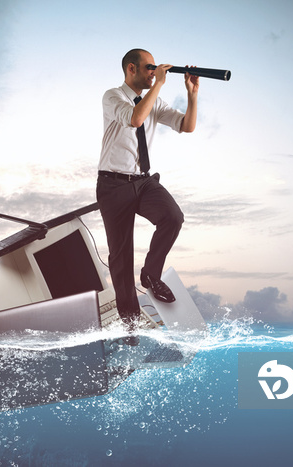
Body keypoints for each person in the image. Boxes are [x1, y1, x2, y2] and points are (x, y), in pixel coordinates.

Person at [96, 48, 199, 342]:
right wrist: (159, 85)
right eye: (149, 67)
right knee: (120, 258)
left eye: (155, 69)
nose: (154, 73)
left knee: (172, 217)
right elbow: (135, 119)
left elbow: (187, 126)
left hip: (143, 182)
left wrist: (191, 93)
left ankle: (151, 274)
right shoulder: (113, 96)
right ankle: (130, 325)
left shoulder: (155, 99)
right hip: (113, 185)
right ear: (131, 69)